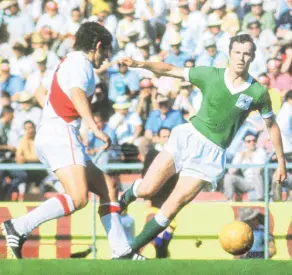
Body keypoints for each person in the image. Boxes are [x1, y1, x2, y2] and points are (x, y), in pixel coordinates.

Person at [117, 34, 287, 255]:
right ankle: (122, 201)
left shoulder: (258, 92)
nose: (241, 58)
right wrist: (140, 64)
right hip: (188, 137)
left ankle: (128, 251)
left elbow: (272, 126)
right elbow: (170, 70)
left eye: (246, 53)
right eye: (237, 52)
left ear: (253, 57)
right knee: (148, 189)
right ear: (230, 53)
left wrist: (281, 161)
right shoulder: (210, 74)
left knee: (173, 205)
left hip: (212, 154)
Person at [1, 22, 144, 260]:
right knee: (78, 198)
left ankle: (122, 251)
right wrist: (96, 129)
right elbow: (77, 94)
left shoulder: (68, 61)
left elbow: (39, 91)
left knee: (107, 186)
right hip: (61, 132)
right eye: (107, 50)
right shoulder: (82, 64)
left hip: (54, 131)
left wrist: (51, 114)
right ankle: (18, 227)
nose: (107, 57)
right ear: (98, 46)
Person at [142, 127, 178, 258]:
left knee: (170, 226)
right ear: (158, 138)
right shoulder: (152, 154)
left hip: (170, 195)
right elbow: (145, 174)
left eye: (169, 136)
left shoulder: (175, 153)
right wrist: (146, 196)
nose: (167, 139)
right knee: (155, 226)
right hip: (155, 195)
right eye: (164, 136)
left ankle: (162, 252)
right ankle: (160, 253)